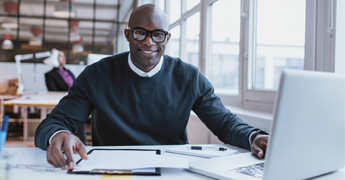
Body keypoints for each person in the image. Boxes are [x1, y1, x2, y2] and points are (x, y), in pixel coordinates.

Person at [34, 4, 269, 170]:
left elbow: (225, 123)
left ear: (166, 39)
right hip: (113, 170)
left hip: (173, 170)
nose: (148, 42)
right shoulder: (97, 75)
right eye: (140, 33)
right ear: (128, 34)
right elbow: (51, 125)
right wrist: (60, 134)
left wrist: (254, 136)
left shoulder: (188, 77)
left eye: (157, 35)